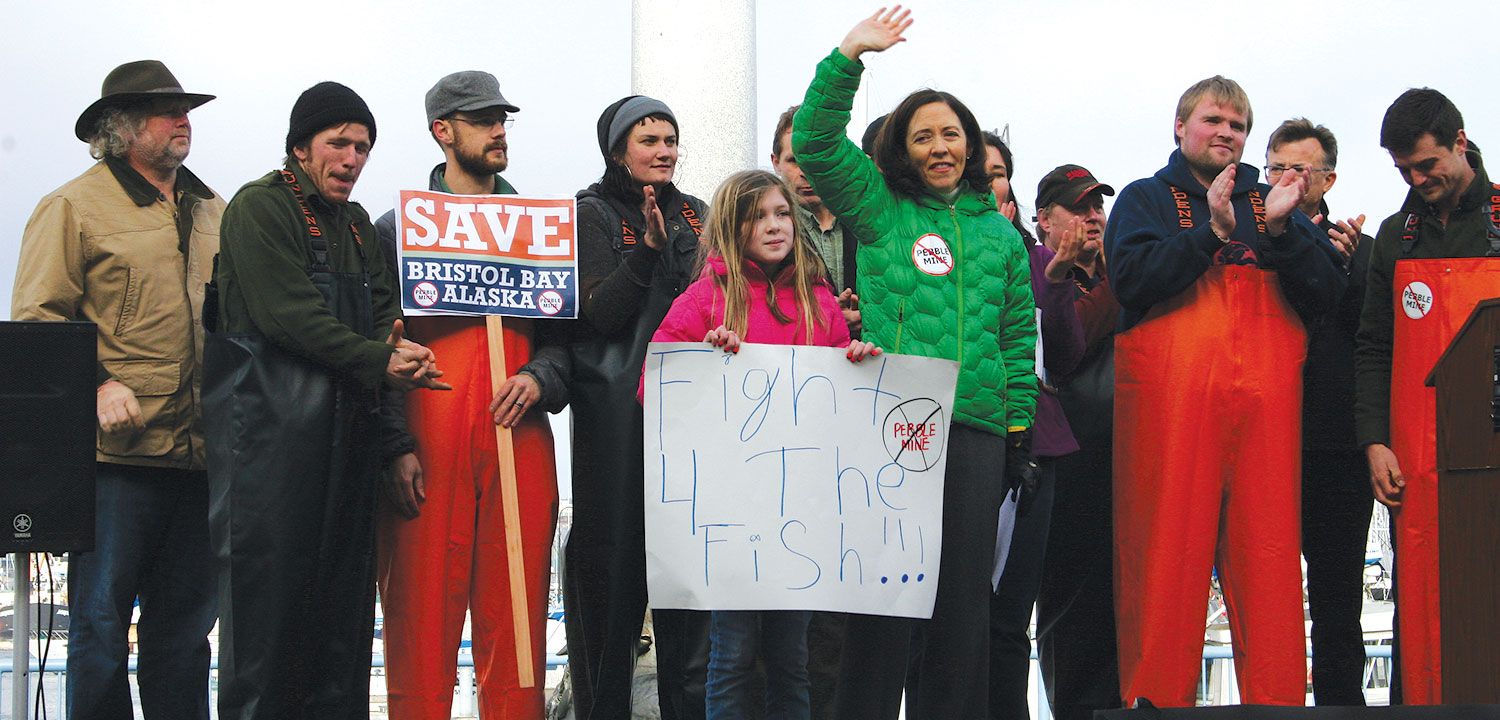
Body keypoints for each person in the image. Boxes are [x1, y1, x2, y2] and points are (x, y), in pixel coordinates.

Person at [792, 8, 1039, 718]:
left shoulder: (1000, 235)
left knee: (962, 612)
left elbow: (1016, 339)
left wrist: (1018, 430)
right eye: (923, 135)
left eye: (951, 135)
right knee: (885, 602)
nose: (940, 147)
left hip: (977, 436)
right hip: (894, 429)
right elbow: (813, 141)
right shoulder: (879, 209)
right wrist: (849, 55)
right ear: (902, 148)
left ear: (971, 147)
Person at [205, 81, 449, 719]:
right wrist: (381, 359)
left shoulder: (361, 225)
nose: (352, 159)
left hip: (348, 447)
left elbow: (380, 316)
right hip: (270, 453)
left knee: (342, 633)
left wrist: (399, 351)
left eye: (363, 147)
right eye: (338, 143)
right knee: (267, 630)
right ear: (300, 148)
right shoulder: (261, 207)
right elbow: (288, 316)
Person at [1105, 75, 1347, 707]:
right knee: (1163, 569)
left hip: (1263, 416)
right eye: (1213, 120)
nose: (1226, 133)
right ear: (1180, 128)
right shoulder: (1144, 199)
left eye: (1238, 126)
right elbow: (1130, 281)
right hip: (1173, 415)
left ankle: (1280, 704)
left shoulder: (1275, 202)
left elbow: (1327, 294)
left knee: (1269, 571)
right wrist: (1209, 236)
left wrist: (1286, 232)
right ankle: (1154, 705)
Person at [13, 59, 221, 720]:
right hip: (113, 469)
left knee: (186, 641)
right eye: (167, 109)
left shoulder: (218, 211)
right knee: (99, 634)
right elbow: (37, 323)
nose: (183, 120)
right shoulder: (71, 206)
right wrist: (97, 384)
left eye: (185, 108)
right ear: (121, 127)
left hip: (202, 461)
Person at [646, 169, 881, 720]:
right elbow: (653, 388)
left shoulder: (819, 302)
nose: (776, 226)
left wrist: (857, 363)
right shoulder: (703, 299)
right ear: (733, 225)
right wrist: (703, 359)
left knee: (790, 657)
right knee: (731, 653)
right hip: (730, 510)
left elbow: (843, 403)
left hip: (803, 507)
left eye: (782, 214)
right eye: (759, 216)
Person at [373, 70, 569, 719]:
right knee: (419, 623)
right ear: (443, 130)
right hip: (428, 444)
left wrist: (542, 376)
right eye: (483, 119)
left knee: (516, 629)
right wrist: (394, 442)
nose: (498, 130)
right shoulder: (395, 230)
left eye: (502, 118)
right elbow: (369, 347)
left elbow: (571, 340)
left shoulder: (539, 230)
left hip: (519, 439)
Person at [565, 94, 711, 720]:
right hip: (617, 419)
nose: (663, 151)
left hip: (695, 417)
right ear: (618, 150)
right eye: (648, 140)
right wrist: (649, 251)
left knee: (689, 585)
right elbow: (599, 312)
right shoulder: (589, 213)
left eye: (670, 139)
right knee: (611, 577)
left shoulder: (702, 215)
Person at [1354, 88, 1500, 705]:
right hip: (1418, 464)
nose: (1417, 180)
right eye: (1403, 170)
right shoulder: (1395, 237)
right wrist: (1375, 440)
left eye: (1426, 165)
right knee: (1425, 605)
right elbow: (1372, 349)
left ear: (1459, 143)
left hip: (1490, 455)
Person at [980, 141, 1090, 720]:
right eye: (984, 174)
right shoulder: (938, 252)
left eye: (1003, 175)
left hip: (1033, 454)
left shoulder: (1040, 262)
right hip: (960, 445)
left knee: (1008, 620)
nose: (996, 186)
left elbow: (1065, 360)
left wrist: (1055, 276)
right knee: (952, 620)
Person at [1265, 117, 1373, 706]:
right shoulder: (1242, 239)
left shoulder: (1362, 252)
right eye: (1275, 166)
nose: (1285, 178)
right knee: (1264, 596)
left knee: (1337, 603)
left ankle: (1340, 707)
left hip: (1333, 447)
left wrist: (1350, 272)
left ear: (1327, 181)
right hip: (1261, 441)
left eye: (1299, 169)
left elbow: (1373, 347)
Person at [1033, 162, 1125, 720]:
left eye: (1099, 206)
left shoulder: (1115, 271)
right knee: (1070, 607)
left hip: (1127, 459)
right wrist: (1120, 278)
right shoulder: (1034, 272)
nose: (1094, 217)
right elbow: (1064, 350)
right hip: (1066, 463)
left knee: (1122, 602)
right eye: (1079, 207)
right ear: (1044, 219)